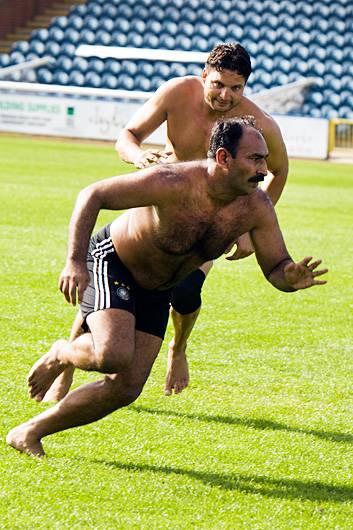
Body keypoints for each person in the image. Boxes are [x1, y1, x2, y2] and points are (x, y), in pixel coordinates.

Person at [7, 117, 327, 457]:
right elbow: (93, 194)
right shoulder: (173, 182)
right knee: (112, 354)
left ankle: (29, 432)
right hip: (113, 262)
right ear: (223, 158)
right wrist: (73, 261)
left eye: (264, 159)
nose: (264, 169)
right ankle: (62, 353)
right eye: (255, 159)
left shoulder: (255, 208)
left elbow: (276, 267)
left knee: (126, 388)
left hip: (160, 289)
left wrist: (289, 277)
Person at [43, 43, 289, 403]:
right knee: (116, 273)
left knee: (187, 291)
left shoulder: (257, 123)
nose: (225, 96)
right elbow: (127, 137)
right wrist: (139, 156)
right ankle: (65, 366)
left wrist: (251, 227)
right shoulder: (177, 92)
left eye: (236, 88)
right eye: (218, 84)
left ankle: (177, 348)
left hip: (211, 217)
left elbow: (279, 171)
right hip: (161, 207)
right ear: (204, 74)